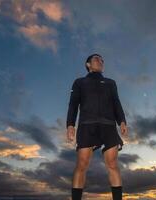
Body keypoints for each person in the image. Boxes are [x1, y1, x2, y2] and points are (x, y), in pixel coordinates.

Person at [66, 53, 128, 200]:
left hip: (108, 125)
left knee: (112, 164)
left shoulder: (111, 83)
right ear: (88, 65)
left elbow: (116, 102)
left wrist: (122, 121)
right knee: (82, 164)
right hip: (87, 125)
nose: (100, 61)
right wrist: (70, 124)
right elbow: (73, 103)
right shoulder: (79, 82)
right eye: (96, 59)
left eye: (102, 60)